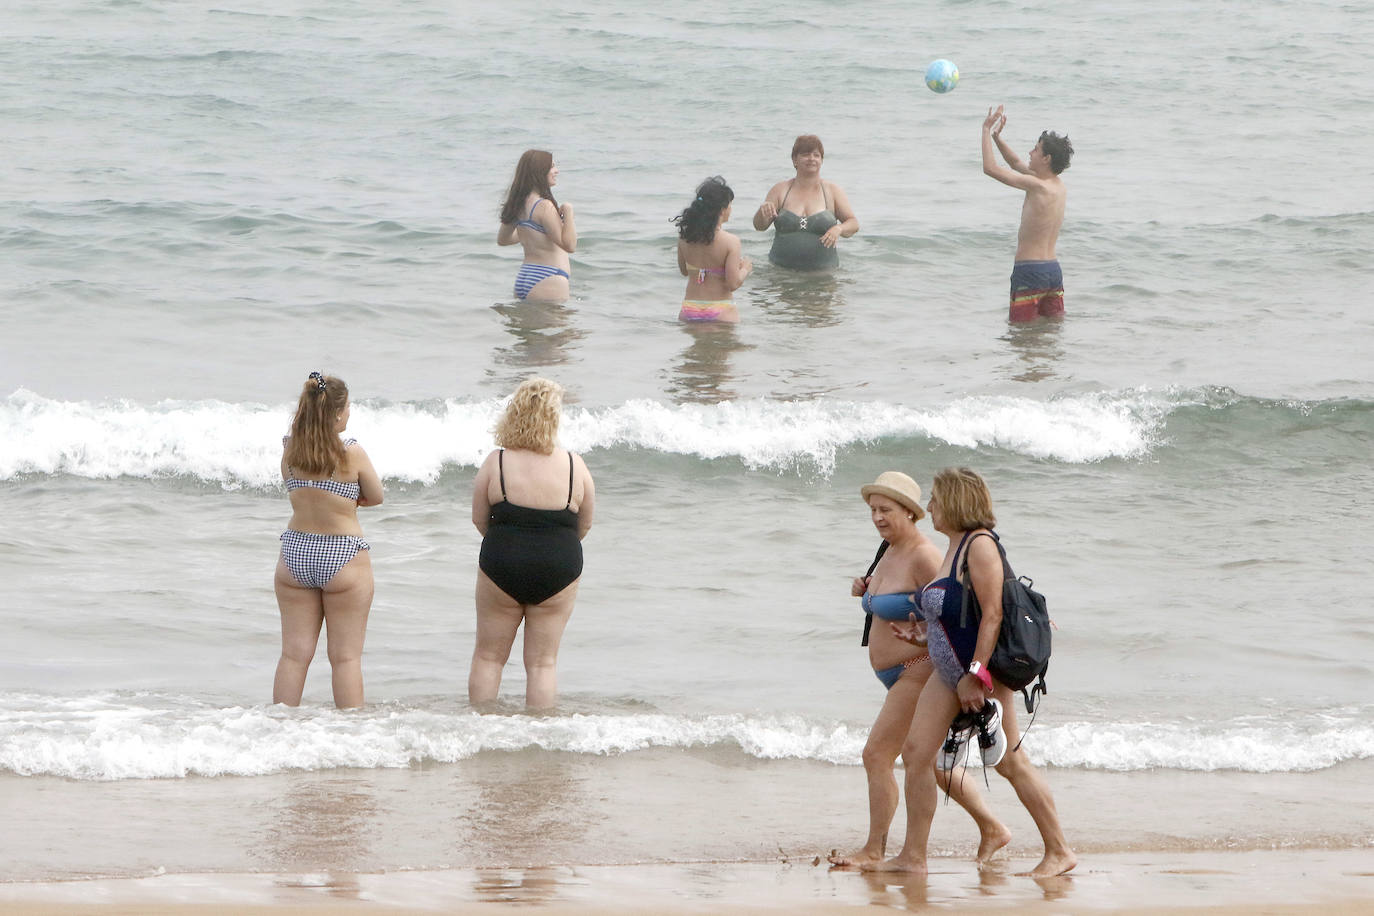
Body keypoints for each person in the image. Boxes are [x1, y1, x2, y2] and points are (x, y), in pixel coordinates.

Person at [869, 467, 1075, 877]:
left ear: (957, 501)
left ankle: (1059, 851)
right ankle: (913, 858)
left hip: (979, 674)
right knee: (916, 754)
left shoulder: (980, 545)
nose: (929, 507)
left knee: (1011, 761)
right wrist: (921, 634)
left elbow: (993, 614)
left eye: (935, 498)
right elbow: (959, 615)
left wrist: (976, 675)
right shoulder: (954, 545)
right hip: (948, 673)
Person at [829, 472, 1009, 869]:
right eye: (873, 509)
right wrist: (867, 591)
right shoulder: (888, 549)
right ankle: (992, 827)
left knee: (877, 755)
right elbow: (906, 602)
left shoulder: (925, 554)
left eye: (886, 509)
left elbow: (958, 606)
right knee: (927, 764)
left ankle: (877, 850)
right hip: (894, 672)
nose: (877, 517)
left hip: (919, 670)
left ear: (910, 512)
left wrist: (973, 669)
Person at [470, 377, 595, 708]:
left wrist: (510, 544)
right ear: (554, 417)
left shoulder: (496, 461)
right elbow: (585, 524)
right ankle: (539, 742)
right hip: (558, 565)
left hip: (503, 562)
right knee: (543, 664)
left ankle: (478, 734)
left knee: (488, 657)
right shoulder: (574, 465)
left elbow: (480, 519)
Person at [273, 371, 384, 709]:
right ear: (336, 414)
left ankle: (275, 731)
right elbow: (376, 496)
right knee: (346, 658)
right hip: (343, 553)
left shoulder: (290, 451)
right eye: (348, 407)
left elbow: (298, 490)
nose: (350, 412)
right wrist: (351, 499)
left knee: (294, 655)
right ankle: (351, 740)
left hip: (295, 553)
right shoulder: (352, 453)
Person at [981, 105, 1074, 323]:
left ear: (1046, 159)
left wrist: (985, 130)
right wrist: (996, 137)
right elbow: (1014, 163)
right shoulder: (1057, 186)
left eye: (1035, 149)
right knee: (1049, 332)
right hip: (1053, 272)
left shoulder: (1036, 185)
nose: (1030, 153)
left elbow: (990, 168)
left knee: (1021, 336)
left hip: (1029, 271)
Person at [753, 134, 858, 271]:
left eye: (816, 155)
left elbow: (853, 223)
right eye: (805, 154)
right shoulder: (780, 190)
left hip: (823, 275)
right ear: (794, 160)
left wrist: (839, 229)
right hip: (781, 274)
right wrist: (762, 212)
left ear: (822, 160)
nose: (811, 159)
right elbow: (760, 226)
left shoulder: (832, 191)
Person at [498, 149, 578, 302]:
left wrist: (529, 233)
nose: (557, 171)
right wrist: (568, 213)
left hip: (525, 276)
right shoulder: (544, 206)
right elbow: (570, 245)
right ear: (539, 172)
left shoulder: (518, 203)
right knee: (563, 326)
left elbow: (503, 240)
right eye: (552, 166)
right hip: (549, 277)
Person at [673, 176, 753, 323]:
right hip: (721, 310)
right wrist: (745, 269)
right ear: (722, 210)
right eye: (729, 205)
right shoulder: (731, 242)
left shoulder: (684, 238)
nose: (731, 209)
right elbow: (733, 284)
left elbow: (684, 271)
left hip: (689, 310)